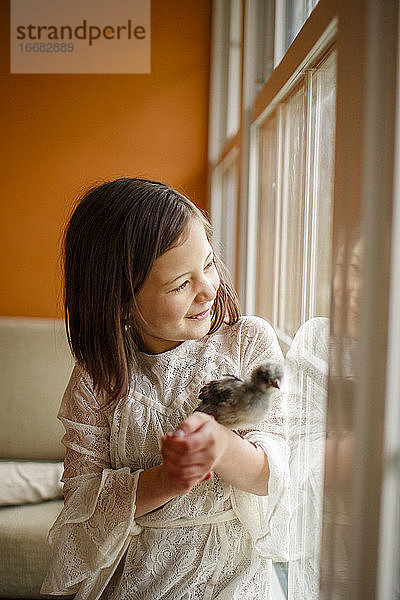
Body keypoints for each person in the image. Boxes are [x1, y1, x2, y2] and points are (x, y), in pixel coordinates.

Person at [41, 177, 289, 600]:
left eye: (209, 264)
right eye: (181, 284)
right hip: (143, 583)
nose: (209, 289)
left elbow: (278, 471)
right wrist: (167, 479)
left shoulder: (247, 342)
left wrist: (222, 448)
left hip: (238, 582)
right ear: (121, 299)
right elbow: (82, 509)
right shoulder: (97, 381)